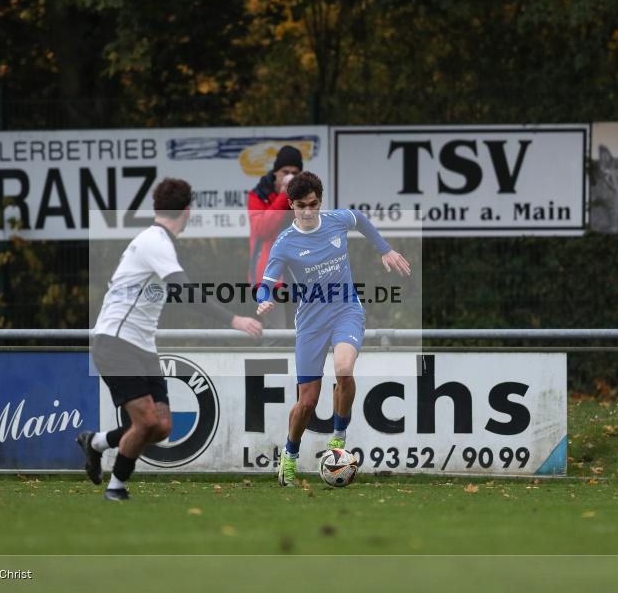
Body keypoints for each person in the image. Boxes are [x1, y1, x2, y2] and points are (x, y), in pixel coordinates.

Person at [79, 178, 263, 501]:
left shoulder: (158, 241)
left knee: (161, 426)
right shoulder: (155, 241)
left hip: (143, 346)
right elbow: (184, 290)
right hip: (116, 343)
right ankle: (116, 488)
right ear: (187, 211)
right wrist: (234, 319)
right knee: (146, 421)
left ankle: (96, 442)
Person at [255, 171, 411, 487]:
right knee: (307, 402)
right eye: (301, 206)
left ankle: (338, 439)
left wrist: (385, 249)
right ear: (291, 205)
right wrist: (264, 299)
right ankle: (289, 455)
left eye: (313, 204)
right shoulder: (285, 243)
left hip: (346, 311)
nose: (308, 211)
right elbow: (266, 283)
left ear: (320, 201)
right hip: (311, 323)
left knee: (343, 369)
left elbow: (360, 220)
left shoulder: (336, 221)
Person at [247, 145, 303, 331]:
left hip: (298, 277)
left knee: (302, 332)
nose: (290, 176)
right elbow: (262, 229)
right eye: (285, 172)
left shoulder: (304, 197)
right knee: (275, 335)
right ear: (276, 172)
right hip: (268, 278)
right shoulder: (258, 195)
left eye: (295, 173)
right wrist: (283, 196)